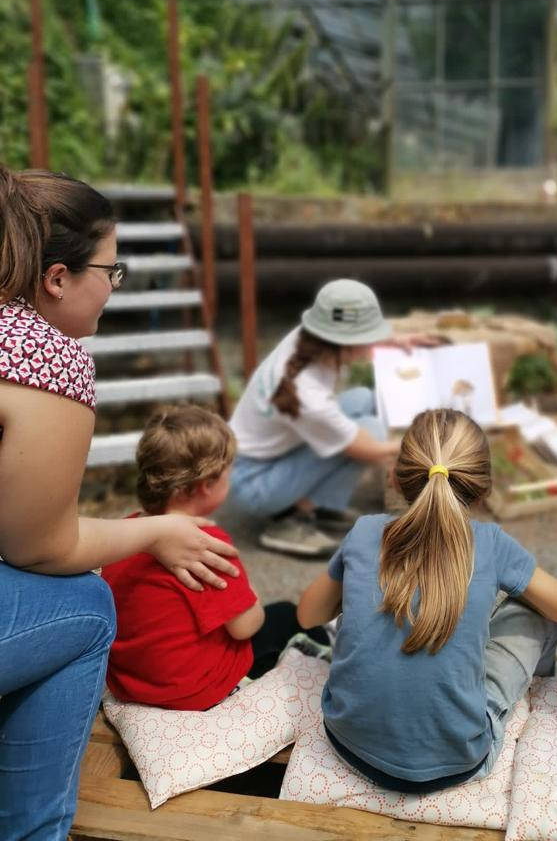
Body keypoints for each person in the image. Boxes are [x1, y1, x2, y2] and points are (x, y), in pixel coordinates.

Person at [0, 167, 241, 841]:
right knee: (85, 604)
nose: (114, 285)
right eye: (112, 270)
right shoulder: (43, 358)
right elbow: (39, 547)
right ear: (57, 278)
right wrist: (158, 533)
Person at [296, 408, 557, 793]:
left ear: (395, 478)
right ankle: (534, 694)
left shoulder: (366, 532)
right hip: (458, 760)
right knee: (537, 613)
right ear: (483, 491)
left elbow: (308, 615)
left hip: (348, 743)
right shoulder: (491, 544)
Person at [102, 406, 329, 710]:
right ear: (207, 485)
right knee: (288, 615)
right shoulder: (204, 543)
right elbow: (246, 626)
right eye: (228, 472)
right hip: (193, 691)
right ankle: (330, 666)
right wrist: (251, 594)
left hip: (133, 683)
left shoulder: (128, 532)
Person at [227, 279, 402, 557]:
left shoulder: (307, 338)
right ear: (344, 343)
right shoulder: (308, 394)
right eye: (367, 338)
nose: (371, 344)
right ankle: (294, 517)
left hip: (254, 460)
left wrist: (403, 342)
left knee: (363, 398)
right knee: (373, 432)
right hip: (253, 483)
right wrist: (423, 442)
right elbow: (371, 450)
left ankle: (316, 502)